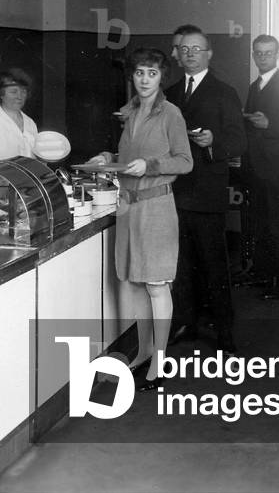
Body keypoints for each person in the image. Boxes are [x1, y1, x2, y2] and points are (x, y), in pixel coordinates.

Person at [88, 47, 192, 390]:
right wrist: (108, 157)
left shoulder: (171, 113)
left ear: (162, 77)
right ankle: (144, 353)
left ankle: (159, 365)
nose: (145, 80)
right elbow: (129, 156)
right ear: (131, 77)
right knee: (133, 285)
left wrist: (151, 166)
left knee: (157, 285)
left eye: (152, 73)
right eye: (139, 73)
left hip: (157, 208)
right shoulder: (129, 112)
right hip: (128, 208)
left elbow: (184, 161)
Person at [164, 26, 246, 355]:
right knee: (181, 265)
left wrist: (214, 143)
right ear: (178, 54)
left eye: (197, 49)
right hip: (173, 192)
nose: (190, 54)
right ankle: (186, 322)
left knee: (214, 265)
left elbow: (240, 141)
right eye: (184, 49)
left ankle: (225, 329)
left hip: (207, 193)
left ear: (209, 53)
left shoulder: (224, 92)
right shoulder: (168, 93)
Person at [243, 34, 279, 300]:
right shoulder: (255, 86)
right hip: (257, 167)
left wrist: (271, 125)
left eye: (268, 53)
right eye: (259, 53)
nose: (263, 57)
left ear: (277, 56)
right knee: (262, 225)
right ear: (254, 55)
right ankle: (265, 274)